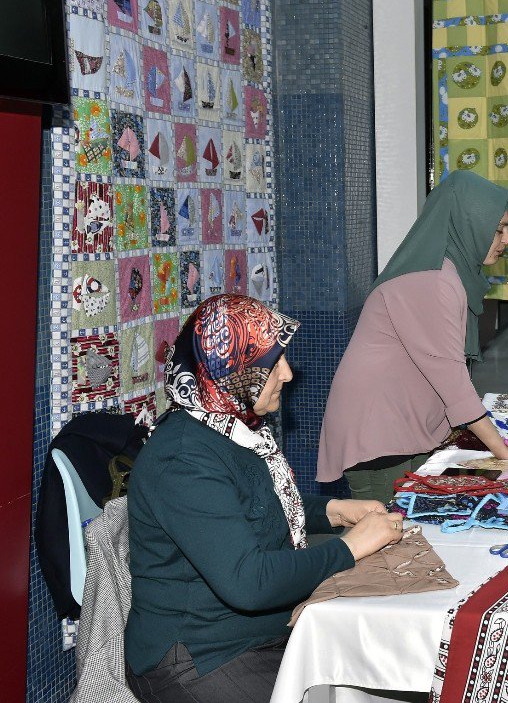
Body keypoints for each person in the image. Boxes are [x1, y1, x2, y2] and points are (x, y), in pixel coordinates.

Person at [125, 294, 404, 703]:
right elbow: (249, 583)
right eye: (273, 364)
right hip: (195, 660)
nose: (287, 375)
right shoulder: (183, 459)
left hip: (255, 636)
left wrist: (332, 511)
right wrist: (350, 547)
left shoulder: (233, 426)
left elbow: (259, 502)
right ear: (232, 370)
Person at [318, 170, 508, 504]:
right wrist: (502, 452)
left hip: (406, 424)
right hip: (378, 428)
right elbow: (451, 379)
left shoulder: (452, 272)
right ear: (466, 224)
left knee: (417, 529)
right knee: (383, 537)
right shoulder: (432, 280)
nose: (507, 240)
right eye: (498, 230)